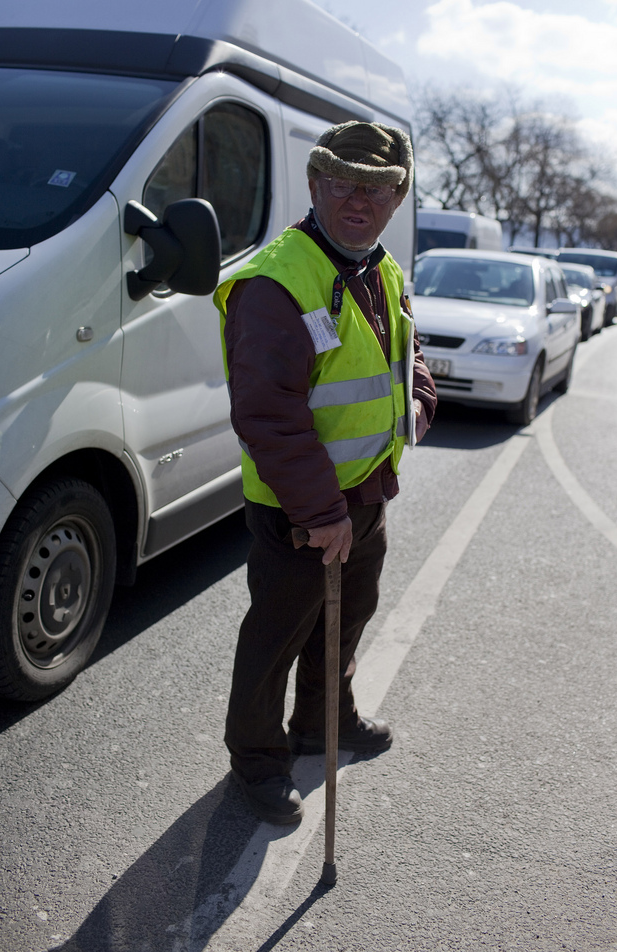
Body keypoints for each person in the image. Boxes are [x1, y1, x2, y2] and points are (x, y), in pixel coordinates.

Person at [213, 120, 437, 825]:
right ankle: (255, 762)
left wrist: (418, 405)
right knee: (275, 637)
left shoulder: (381, 265)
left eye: (377, 188)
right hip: (301, 510)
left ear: (398, 198)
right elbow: (268, 415)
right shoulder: (277, 280)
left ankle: (321, 724)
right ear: (313, 183)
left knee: (342, 625)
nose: (359, 200)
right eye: (343, 183)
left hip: (365, 496)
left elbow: (406, 356)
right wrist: (320, 513)